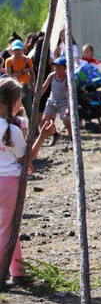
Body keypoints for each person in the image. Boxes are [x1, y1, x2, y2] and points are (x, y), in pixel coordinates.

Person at [0, 78, 55, 286]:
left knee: (9, 226)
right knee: (7, 230)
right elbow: (26, 160)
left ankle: (18, 271)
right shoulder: (12, 131)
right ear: (14, 103)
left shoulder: (10, 129)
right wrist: (42, 137)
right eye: (20, 101)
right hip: (10, 185)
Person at [39, 57, 72, 145]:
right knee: (45, 121)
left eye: (59, 68)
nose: (57, 70)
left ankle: (73, 139)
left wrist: (69, 107)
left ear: (65, 68)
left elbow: (70, 94)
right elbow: (43, 88)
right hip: (52, 101)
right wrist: (37, 97)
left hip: (63, 102)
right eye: (56, 67)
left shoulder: (67, 78)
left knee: (66, 121)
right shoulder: (52, 76)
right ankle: (55, 134)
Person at [4, 40, 35, 123]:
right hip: (14, 88)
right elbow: (9, 76)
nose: (17, 52)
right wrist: (22, 72)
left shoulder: (27, 59)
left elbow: (32, 73)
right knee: (13, 110)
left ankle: (35, 132)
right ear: (13, 50)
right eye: (16, 50)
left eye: (19, 50)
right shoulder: (9, 61)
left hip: (25, 87)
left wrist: (34, 84)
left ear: (22, 50)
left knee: (30, 110)